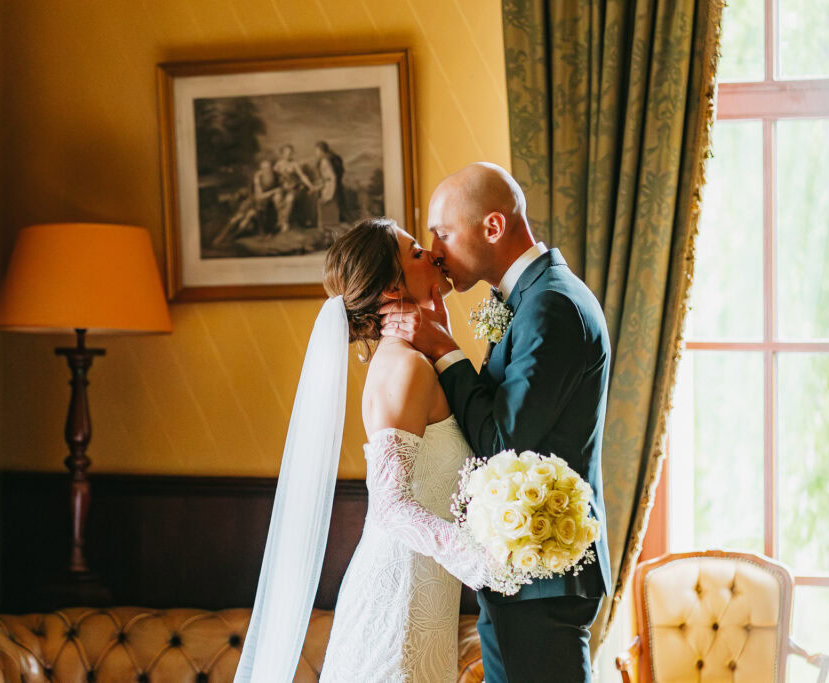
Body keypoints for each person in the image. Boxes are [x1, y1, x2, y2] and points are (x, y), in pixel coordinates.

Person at [234, 217, 495, 683]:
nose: (434, 255)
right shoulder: (404, 368)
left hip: (425, 596)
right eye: (417, 253)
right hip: (398, 602)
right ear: (393, 289)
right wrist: (483, 561)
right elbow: (391, 507)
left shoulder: (415, 360)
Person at [380, 162, 612, 683]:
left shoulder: (551, 305)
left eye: (442, 232)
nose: (435, 251)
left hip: (542, 578)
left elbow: (504, 441)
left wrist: (442, 346)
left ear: (492, 227)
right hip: (522, 572)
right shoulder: (530, 298)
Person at [272, 144, 315, 233]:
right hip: (281, 189)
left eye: (290, 153)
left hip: (293, 189)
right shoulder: (278, 164)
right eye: (286, 152)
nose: (288, 154)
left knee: (289, 199)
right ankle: (280, 221)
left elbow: (302, 176)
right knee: (276, 198)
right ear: (282, 153)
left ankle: (285, 222)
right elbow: (272, 176)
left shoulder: (294, 164)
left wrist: (310, 186)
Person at [312, 141, 345, 227]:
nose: (316, 153)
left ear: (321, 151)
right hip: (331, 185)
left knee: (323, 202)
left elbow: (331, 177)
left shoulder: (325, 161)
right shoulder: (329, 159)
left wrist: (326, 190)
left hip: (330, 186)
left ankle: (326, 224)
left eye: (317, 151)